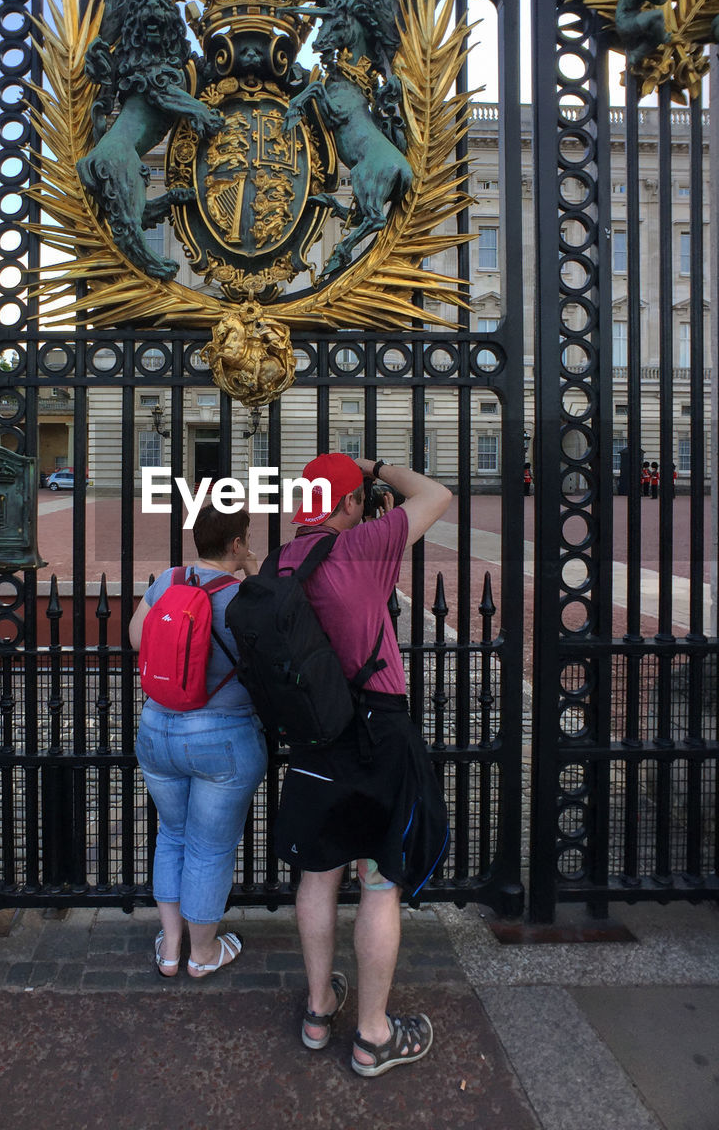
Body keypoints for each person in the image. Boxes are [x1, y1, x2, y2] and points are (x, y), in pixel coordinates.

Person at [273, 452, 452, 1077]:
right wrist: (376, 468)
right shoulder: (364, 545)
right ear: (349, 503)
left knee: (318, 876)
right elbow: (436, 494)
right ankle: (373, 1036)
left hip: (315, 738)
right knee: (379, 883)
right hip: (377, 728)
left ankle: (320, 1010)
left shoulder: (282, 561)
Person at [129, 504, 266, 979]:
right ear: (236, 543)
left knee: (172, 835)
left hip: (157, 728)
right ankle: (202, 952)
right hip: (221, 737)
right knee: (209, 848)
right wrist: (254, 570)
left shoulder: (170, 580)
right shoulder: (246, 594)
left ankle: (170, 947)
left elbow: (135, 637)